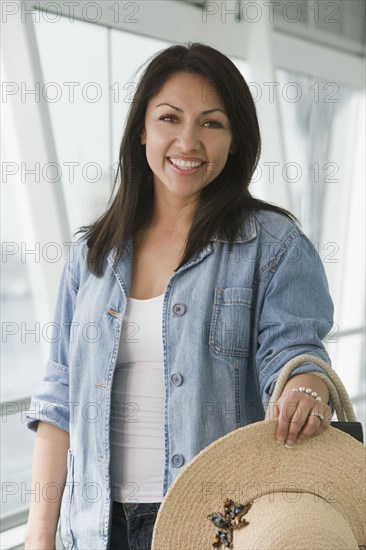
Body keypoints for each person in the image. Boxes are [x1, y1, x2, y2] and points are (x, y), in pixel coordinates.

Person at [24, 42, 334, 550]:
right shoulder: (91, 257)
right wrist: (40, 537)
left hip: (216, 524)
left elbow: (295, 352)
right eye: (170, 118)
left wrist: (305, 388)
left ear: (235, 141)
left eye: (211, 123)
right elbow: (59, 401)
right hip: (93, 530)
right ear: (142, 130)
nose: (187, 141)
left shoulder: (273, 246)